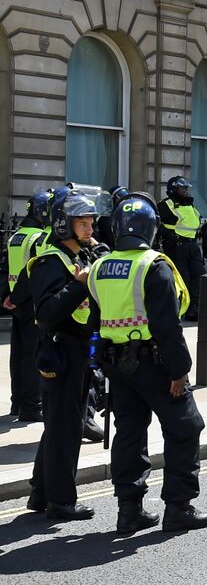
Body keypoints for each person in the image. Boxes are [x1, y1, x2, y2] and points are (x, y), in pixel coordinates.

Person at [90, 192, 207, 534]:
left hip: (117, 365)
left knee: (129, 432)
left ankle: (128, 511)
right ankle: (179, 508)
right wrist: (180, 371)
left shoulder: (99, 266)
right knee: (186, 428)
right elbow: (166, 326)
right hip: (156, 364)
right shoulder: (153, 265)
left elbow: (96, 319)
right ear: (151, 229)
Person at [25, 186, 109, 521]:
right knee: (66, 428)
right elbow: (46, 313)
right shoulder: (50, 260)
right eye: (82, 222)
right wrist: (79, 285)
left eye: (91, 220)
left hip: (78, 349)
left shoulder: (83, 254)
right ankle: (61, 502)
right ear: (64, 224)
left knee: (60, 424)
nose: (90, 227)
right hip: (60, 351)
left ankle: (40, 492)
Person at [5, 189, 52, 420]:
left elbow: (9, 268)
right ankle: (33, 406)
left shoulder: (17, 235)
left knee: (19, 354)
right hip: (31, 300)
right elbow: (32, 271)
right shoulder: (39, 238)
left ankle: (18, 402)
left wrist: (10, 297)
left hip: (17, 302)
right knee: (33, 356)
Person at [157, 176, 205, 322]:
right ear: (173, 189)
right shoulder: (166, 204)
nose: (185, 191)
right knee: (182, 279)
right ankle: (178, 310)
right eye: (182, 188)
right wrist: (167, 234)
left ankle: (194, 309)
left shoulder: (190, 205)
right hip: (177, 246)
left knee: (200, 276)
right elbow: (156, 222)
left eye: (186, 188)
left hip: (192, 245)